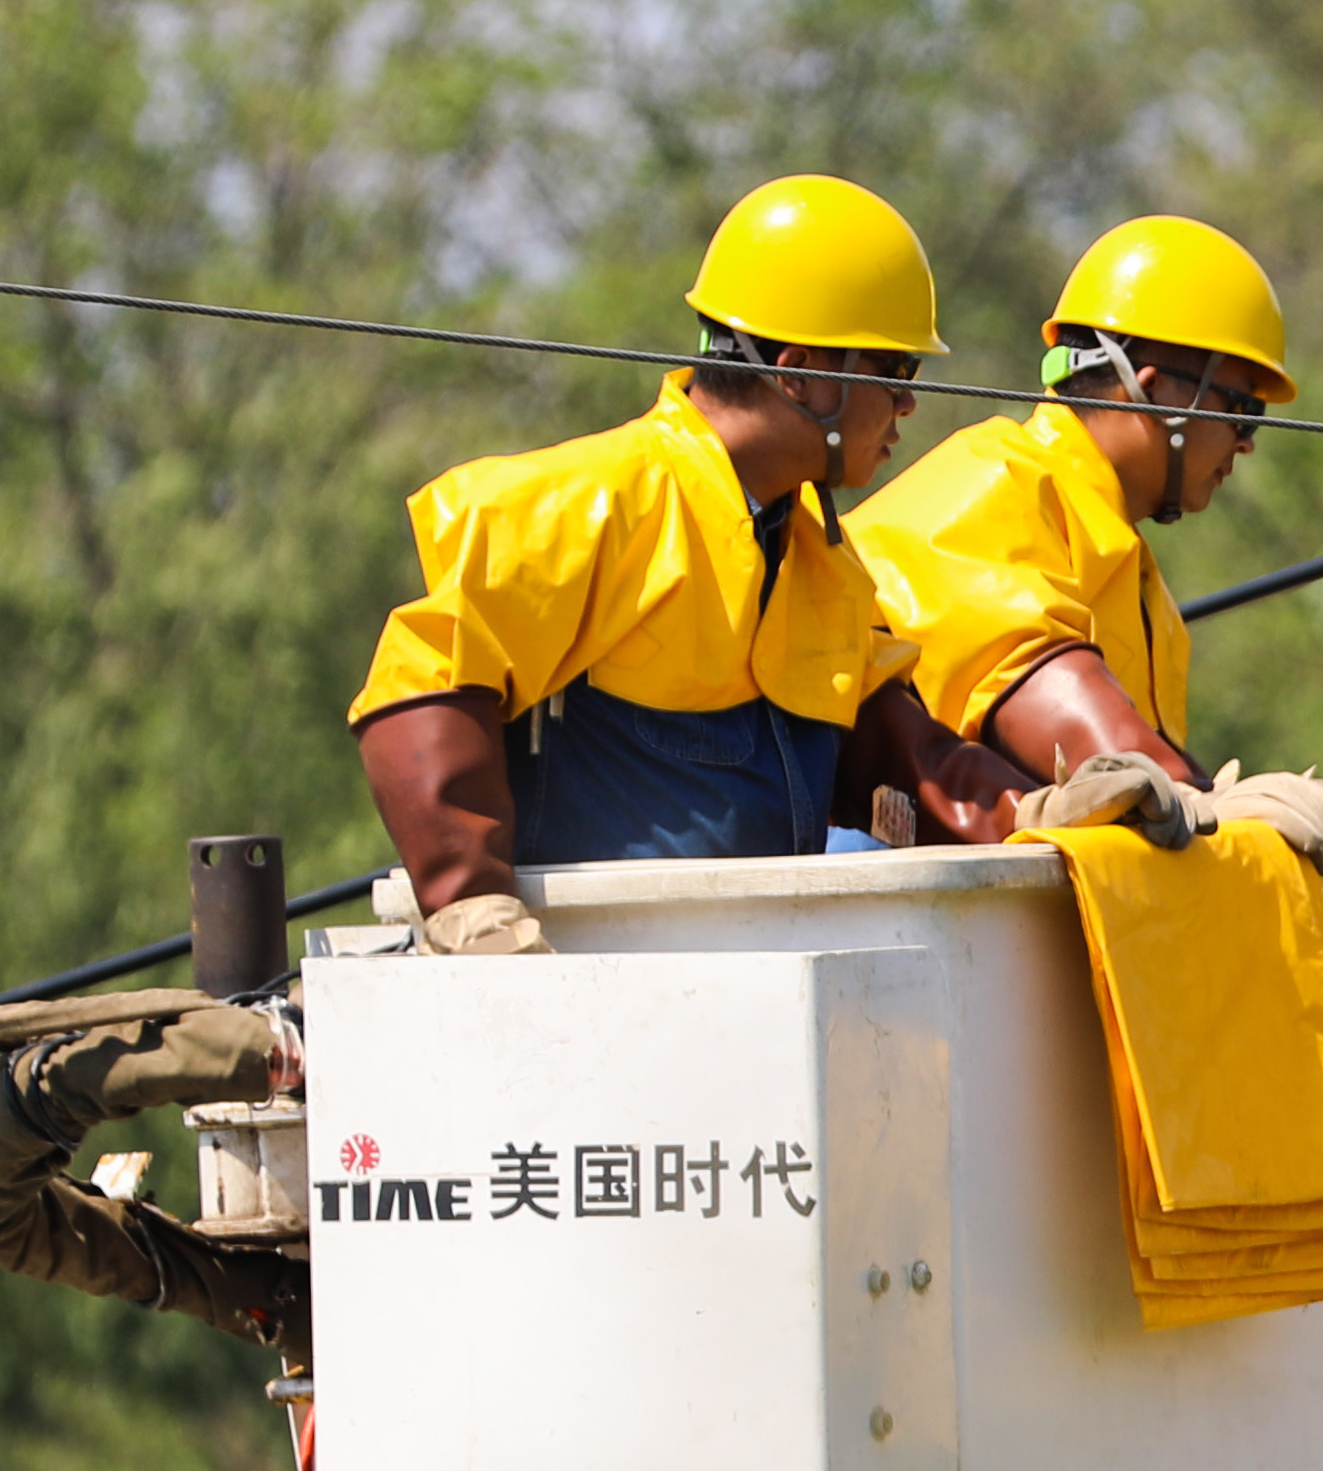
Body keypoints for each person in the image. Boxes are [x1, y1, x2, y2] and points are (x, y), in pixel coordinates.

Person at [344, 175, 1022, 942]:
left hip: (755, 992)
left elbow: (898, 748)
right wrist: (471, 902)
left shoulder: (813, 556)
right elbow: (420, 683)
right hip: (588, 993)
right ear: (799, 371)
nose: (909, 406)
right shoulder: (597, 501)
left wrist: (1034, 815)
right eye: (896, 374)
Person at [850, 213, 1323, 870]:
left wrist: (1200, 800)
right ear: (1152, 392)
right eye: (1241, 407)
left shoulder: (1128, 567)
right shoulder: (990, 482)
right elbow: (1074, 722)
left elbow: (1146, 800)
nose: (1246, 441)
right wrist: (1210, 804)